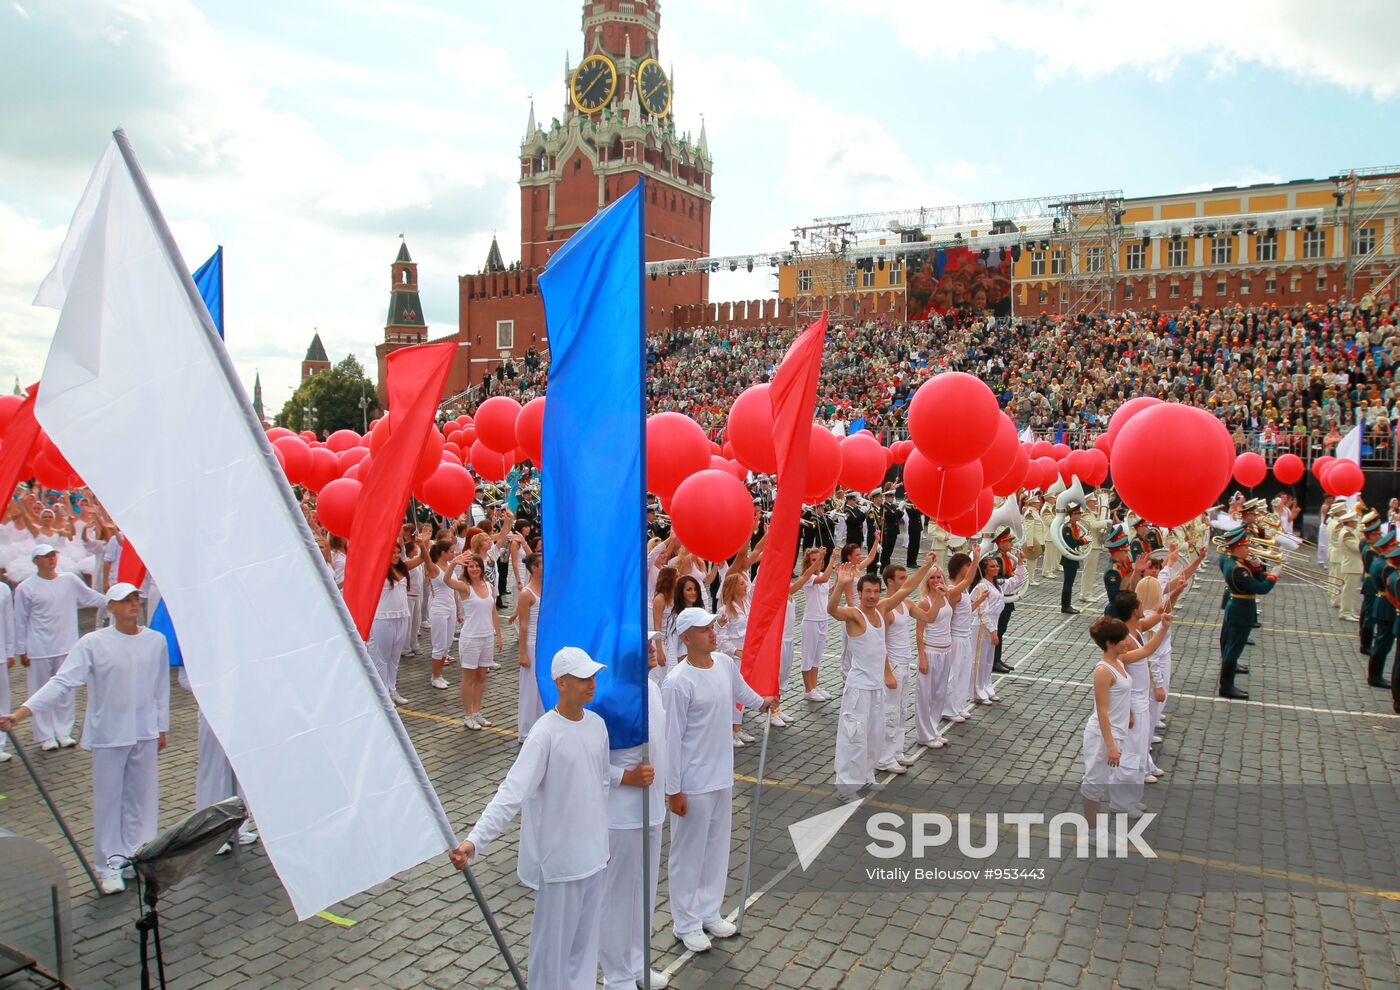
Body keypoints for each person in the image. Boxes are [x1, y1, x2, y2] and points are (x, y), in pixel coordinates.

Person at [448, 647, 615, 990]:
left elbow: (601, 784)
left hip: (595, 857)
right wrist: (474, 840)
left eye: (593, 677)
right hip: (561, 863)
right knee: (551, 953)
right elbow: (512, 793)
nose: (591, 684)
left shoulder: (597, 726)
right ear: (561, 683)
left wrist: (600, 838)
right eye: (583, 678)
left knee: (584, 949)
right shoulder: (545, 734)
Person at [1, 583, 170, 894]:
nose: (133, 604)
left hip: (143, 732)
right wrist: (22, 713)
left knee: (142, 800)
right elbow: (63, 681)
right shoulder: (93, 642)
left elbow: (161, 687)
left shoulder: (155, 640)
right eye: (124, 600)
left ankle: (139, 855)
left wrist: (161, 727)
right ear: (111, 608)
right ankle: (108, 865)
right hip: (109, 733)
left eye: (135, 598)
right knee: (109, 800)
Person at [663, 607, 776, 953]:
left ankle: (709, 910)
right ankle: (685, 922)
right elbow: (671, 740)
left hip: (721, 776)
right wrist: (673, 790)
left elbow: (743, 693)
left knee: (716, 848)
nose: (712, 633)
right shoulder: (677, 682)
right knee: (688, 853)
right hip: (692, 783)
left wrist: (764, 702)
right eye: (703, 629)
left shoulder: (725, 665)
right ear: (686, 637)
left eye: (712, 626)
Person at [599, 634, 669, 990]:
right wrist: (625, 776)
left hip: (652, 809)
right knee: (618, 896)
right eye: (650, 647)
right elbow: (593, 762)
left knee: (644, 893)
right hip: (623, 816)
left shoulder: (652, 691)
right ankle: (616, 975)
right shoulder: (609, 701)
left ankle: (639, 963)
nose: (656, 651)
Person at [827, 561, 924, 797]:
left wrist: (927, 566)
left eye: (875, 591)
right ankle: (846, 785)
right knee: (855, 736)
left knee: (874, 735)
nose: (871, 596)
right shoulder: (855, 615)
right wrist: (841, 584)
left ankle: (866, 776)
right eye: (867, 592)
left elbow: (907, 589)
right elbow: (832, 610)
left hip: (876, 688)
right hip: (859, 689)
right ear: (859, 594)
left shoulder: (881, 609)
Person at [14, 543, 107, 749]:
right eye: (46, 556)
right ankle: (45, 736)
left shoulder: (69, 580)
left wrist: (115, 600)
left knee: (66, 691)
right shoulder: (25, 588)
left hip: (67, 645)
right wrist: (21, 650)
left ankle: (64, 731)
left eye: (53, 555)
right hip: (38, 648)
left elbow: (90, 596)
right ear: (36, 560)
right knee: (40, 692)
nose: (51, 559)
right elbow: (20, 620)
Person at [1080, 614, 1170, 825]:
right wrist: (1111, 746)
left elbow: (1147, 650)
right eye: (1123, 639)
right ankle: (1093, 832)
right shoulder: (1103, 671)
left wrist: (1164, 627)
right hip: (1103, 734)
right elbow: (1102, 711)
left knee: (1101, 781)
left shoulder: (1119, 661)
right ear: (1110, 644)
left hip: (1115, 732)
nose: (1128, 641)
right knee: (1094, 783)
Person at [875, 555, 937, 773]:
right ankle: (884, 758)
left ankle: (896, 751)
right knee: (890, 711)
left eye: (905, 577)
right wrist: (887, 673)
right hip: (893, 665)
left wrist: (937, 597)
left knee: (901, 710)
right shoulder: (886, 607)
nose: (905, 581)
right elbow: (880, 644)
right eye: (901, 578)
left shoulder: (906, 604)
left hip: (904, 663)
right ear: (890, 581)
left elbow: (929, 617)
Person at [1218, 526, 1279, 699]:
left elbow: (1256, 580)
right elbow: (1260, 588)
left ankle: (1227, 685)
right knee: (1234, 648)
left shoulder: (1236, 563)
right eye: (1245, 547)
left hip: (1237, 606)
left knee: (1232, 646)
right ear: (1237, 548)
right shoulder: (1239, 569)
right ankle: (1226, 687)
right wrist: (1273, 577)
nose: (1248, 549)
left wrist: (1259, 569)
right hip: (1241, 609)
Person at [444, 551, 502, 729]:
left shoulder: (489, 586)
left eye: (477, 566)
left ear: (482, 568)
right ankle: (468, 715)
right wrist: (454, 563)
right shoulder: (464, 587)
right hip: (470, 638)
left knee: (481, 677)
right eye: (471, 566)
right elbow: (447, 581)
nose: (474, 569)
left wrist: (498, 635)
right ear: (466, 569)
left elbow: (493, 612)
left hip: (487, 637)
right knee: (468, 678)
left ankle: (477, 712)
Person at [511, 552, 545, 741]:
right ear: (534, 568)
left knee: (542, 688)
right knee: (529, 689)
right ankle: (525, 732)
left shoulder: (545, 588)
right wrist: (522, 653)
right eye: (543, 564)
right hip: (531, 644)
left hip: (543, 645)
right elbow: (523, 625)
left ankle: (540, 726)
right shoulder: (527, 593)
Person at [798, 547, 836, 703]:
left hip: (823, 619)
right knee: (808, 656)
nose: (817, 562)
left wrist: (841, 578)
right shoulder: (807, 577)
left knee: (817, 656)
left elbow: (828, 592)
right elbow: (825, 579)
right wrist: (831, 558)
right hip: (811, 621)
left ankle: (814, 686)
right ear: (808, 563)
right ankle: (808, 689)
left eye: (819, 559)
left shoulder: (821, 575)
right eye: (814, 560)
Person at [424, 541, 461, 690]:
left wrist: (458, 611)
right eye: (451, 551)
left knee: (447, 645)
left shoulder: (450, 564)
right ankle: (435, 676)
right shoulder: (434, 568)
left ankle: (439, 674)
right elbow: (426, 557)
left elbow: (454, 591)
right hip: (439, 609)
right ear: (442, 553)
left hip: (451, 608)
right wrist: (422, 544)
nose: (454, 554)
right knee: (439, 646)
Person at [988, 526, 1024, 674]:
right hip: (1001, 598)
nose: (1011, 544)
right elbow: (998, 579)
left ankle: (997, 659)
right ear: (1001, 543)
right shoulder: (998, 558)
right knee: (998, 630)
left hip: (1007, 597)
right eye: (1009, 542)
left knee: (1001, 630)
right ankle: (994, 661)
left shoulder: (1005, 557)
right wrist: (1013, 579)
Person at [1058, 504, 1088, 614]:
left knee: (1070, 582)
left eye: (1080, 513)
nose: (1080, 515)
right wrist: (1083, 541)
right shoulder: (1067, 527)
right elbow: (1070, 543)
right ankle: (1065, 606)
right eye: (1078, 513)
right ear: (1072, 515)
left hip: (1072, 557)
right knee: (1068, 583)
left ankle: (1067, 605)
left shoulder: (1074, 526)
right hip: (1069, 558)